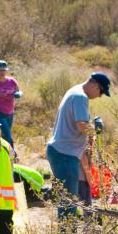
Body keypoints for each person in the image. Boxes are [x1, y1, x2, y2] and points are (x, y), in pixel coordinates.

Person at [46, 72, 111, 219]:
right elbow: (82, 125)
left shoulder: (74, 91)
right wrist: (96, 129)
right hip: (65, 154)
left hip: (62, 152)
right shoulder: (80, 96)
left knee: (67, 202)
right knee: (69, 205)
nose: (100, 96)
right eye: (101, 92)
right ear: (94, 85)